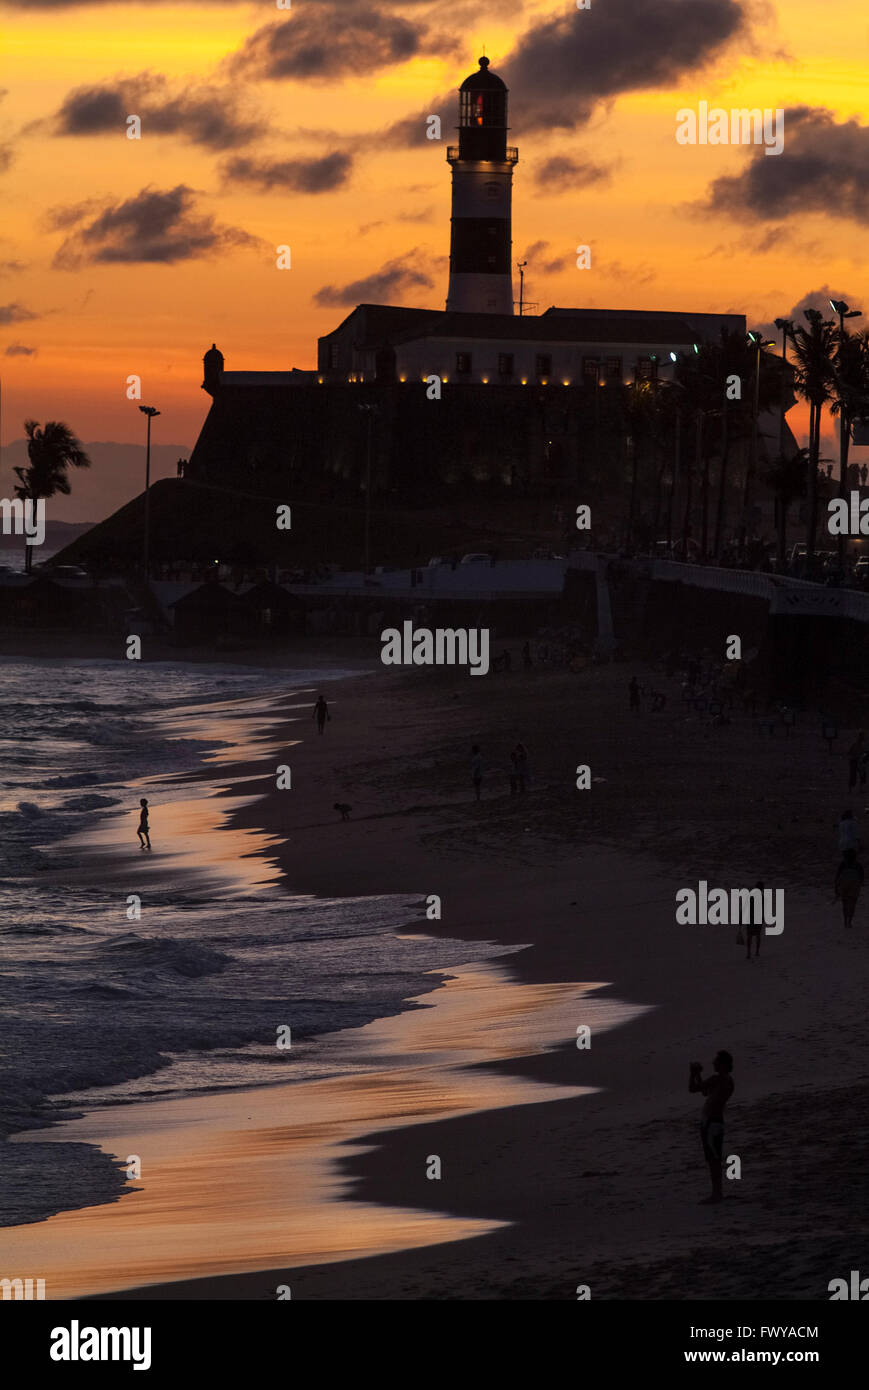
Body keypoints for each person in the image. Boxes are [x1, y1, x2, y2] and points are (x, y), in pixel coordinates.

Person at [689, 1051, 734, 1204]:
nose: (713, 1064)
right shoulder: (728, 1081)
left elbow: (693, 1089)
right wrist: (697, 1076)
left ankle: (717, 1194)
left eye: (716, 1062)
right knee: (715, 1158)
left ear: (722, 1064)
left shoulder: (718, 1079)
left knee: (713, 1159)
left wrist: (693, 1073)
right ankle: (717, 1192)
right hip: (717, 1121)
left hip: (711, 1122)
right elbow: (705, 1091)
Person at [835, 847, 864, 927]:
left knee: (845, 904)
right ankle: (849, 921)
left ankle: (845, 921)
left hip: (844, 885)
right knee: (852, 904)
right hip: (854, 886)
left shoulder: (843, 864)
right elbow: (861, 877)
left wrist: (836, 889)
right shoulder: (858, 865)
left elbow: (837, 877)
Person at [745, 879, 763, 960]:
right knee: (758, 935)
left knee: (749, 936)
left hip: (750, 918)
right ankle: (757, 951)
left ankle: (749, 953)